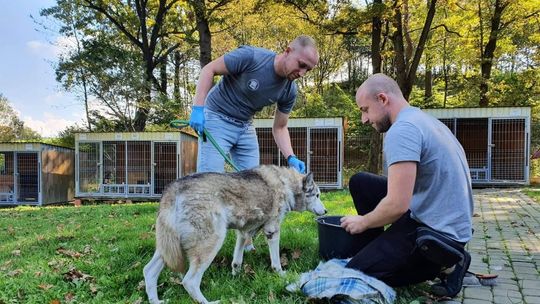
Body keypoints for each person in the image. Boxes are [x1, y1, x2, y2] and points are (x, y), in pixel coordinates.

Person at [340, 73, 474, 297]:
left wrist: (363, 222)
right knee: (361, 182)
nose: (364, 119)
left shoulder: (403, 130)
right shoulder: (424, 120)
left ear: (382, 99)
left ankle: (447, 262)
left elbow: (396, 205)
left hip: (438, 234)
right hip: (435, 211)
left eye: (365, 109)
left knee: (359, 272)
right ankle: (374, 247)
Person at [189, 35, 319, 250]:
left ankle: (245, 242)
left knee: (254, 187)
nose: (302, 73)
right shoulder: (251, 57)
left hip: (245, 125)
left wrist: (291, 156)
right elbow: (209, 70)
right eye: (301, 65)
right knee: (209, 182)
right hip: (217, 117)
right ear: (288, 51)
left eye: (308, 70)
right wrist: (198, 108)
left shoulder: (289, 90)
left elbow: (280, 127)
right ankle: (201, 241)